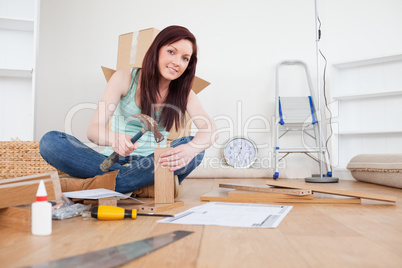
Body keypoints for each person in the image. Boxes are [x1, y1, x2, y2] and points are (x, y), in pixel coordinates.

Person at [40, 25, 217, 196]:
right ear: (156, 50)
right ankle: (141, 185)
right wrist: (115, 139)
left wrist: (190, 150)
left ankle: (104, 184)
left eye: (185, 58)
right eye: (171, 51)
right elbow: (93, 130)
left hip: (152, 164)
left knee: (197, 149)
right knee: (50, 142)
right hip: (111, 160)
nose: (177, 62)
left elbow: (211, 131)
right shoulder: (124, 78)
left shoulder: (185, 94)